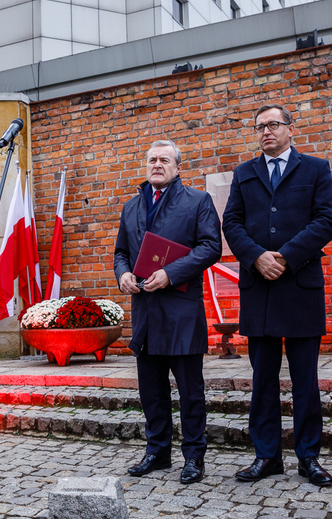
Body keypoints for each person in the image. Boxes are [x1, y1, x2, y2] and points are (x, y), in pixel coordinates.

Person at [222, 104, 332, 486]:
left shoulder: (315, 169)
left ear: (290, 128)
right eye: (260, 127)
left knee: (305, 381)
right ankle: (267, 456)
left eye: (273, 124)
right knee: (263, 381)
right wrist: (256, 257)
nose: (266, 131)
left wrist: (286, 256)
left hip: (301, 287)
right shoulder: (244, 173)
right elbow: (231, 223)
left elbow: (327, 220)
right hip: (260, 290)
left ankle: (309, 457)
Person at [114, 140, 222, 484]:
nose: (157, 164)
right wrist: (123, 275)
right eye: (152, 160)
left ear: (177, 167)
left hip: (181, 312)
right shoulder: (131, 206)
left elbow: (211, 247)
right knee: (151, 391)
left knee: (190, 392)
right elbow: (120, 252)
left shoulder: (197, 201)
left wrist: (170, 273)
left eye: (164, 160)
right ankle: (157, 452)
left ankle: (194, 456)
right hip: (145, 312)